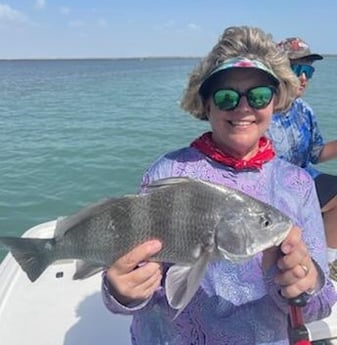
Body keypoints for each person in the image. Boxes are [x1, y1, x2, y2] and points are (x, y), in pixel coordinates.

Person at [101, 26, 337, 345]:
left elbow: (318, 305)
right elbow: (142, 283)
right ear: (206, 104)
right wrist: (121, 291)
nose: (243, 107)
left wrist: (303, 286)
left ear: (275, 102)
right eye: (226, 97)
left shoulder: (297, 185)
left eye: (259, 95)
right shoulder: (167, 172)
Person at [266, 37, 337, 279]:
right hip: (273, 193)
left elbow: (315, 154)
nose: (303, 78)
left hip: (305, 181)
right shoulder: (259, 111)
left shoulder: (305, 111)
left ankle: (325, 264)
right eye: (296, 69)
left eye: (308, 71)